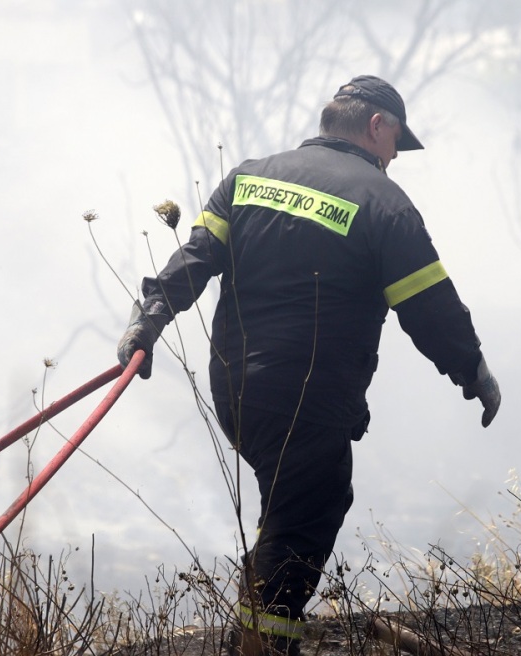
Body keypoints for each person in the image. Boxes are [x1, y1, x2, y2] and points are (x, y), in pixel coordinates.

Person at [117, 74, 500, 656]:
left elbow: (193, 260)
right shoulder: (383, 202)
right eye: (397, 144)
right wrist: (472, 369)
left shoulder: (247, 177)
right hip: (307, 395)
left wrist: (149, 318)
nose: (394, 160)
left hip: (237, 390)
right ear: (378, 126)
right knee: (307, 515)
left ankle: (259, 629)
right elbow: (430, 307)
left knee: (294, 503)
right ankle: (264, 645)